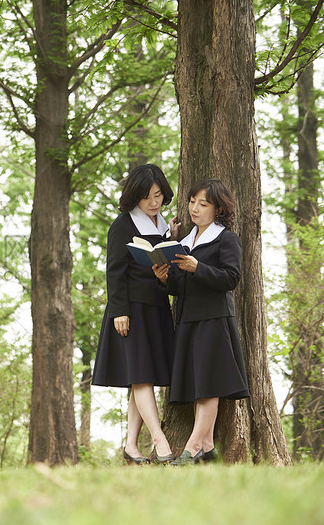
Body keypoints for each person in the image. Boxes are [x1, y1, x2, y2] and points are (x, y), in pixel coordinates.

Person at [153, 178, 250, 466]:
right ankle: (207, 446)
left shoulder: (226, 238)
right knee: (198, 384)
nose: (194, 208)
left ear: (217, 209)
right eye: (192, 201)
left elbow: (231, 278)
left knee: (209, 384)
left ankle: (194, 445)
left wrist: (199, 267)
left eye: (203, 204)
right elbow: (180, 287)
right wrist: (164, 280)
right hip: (187, 320)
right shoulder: (183, 241)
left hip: (214, 318)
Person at [93, 164, 180, 465]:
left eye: (157, 195)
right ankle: (160, 441)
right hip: (130, 311)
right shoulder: (123, 225)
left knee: (141, 377)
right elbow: (114, 271)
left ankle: (131, 445)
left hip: (156, 308)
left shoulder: (165, 226)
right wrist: (119, 311)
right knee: (141, 376)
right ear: (134, 198)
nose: (153, 203)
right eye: (146, 198)